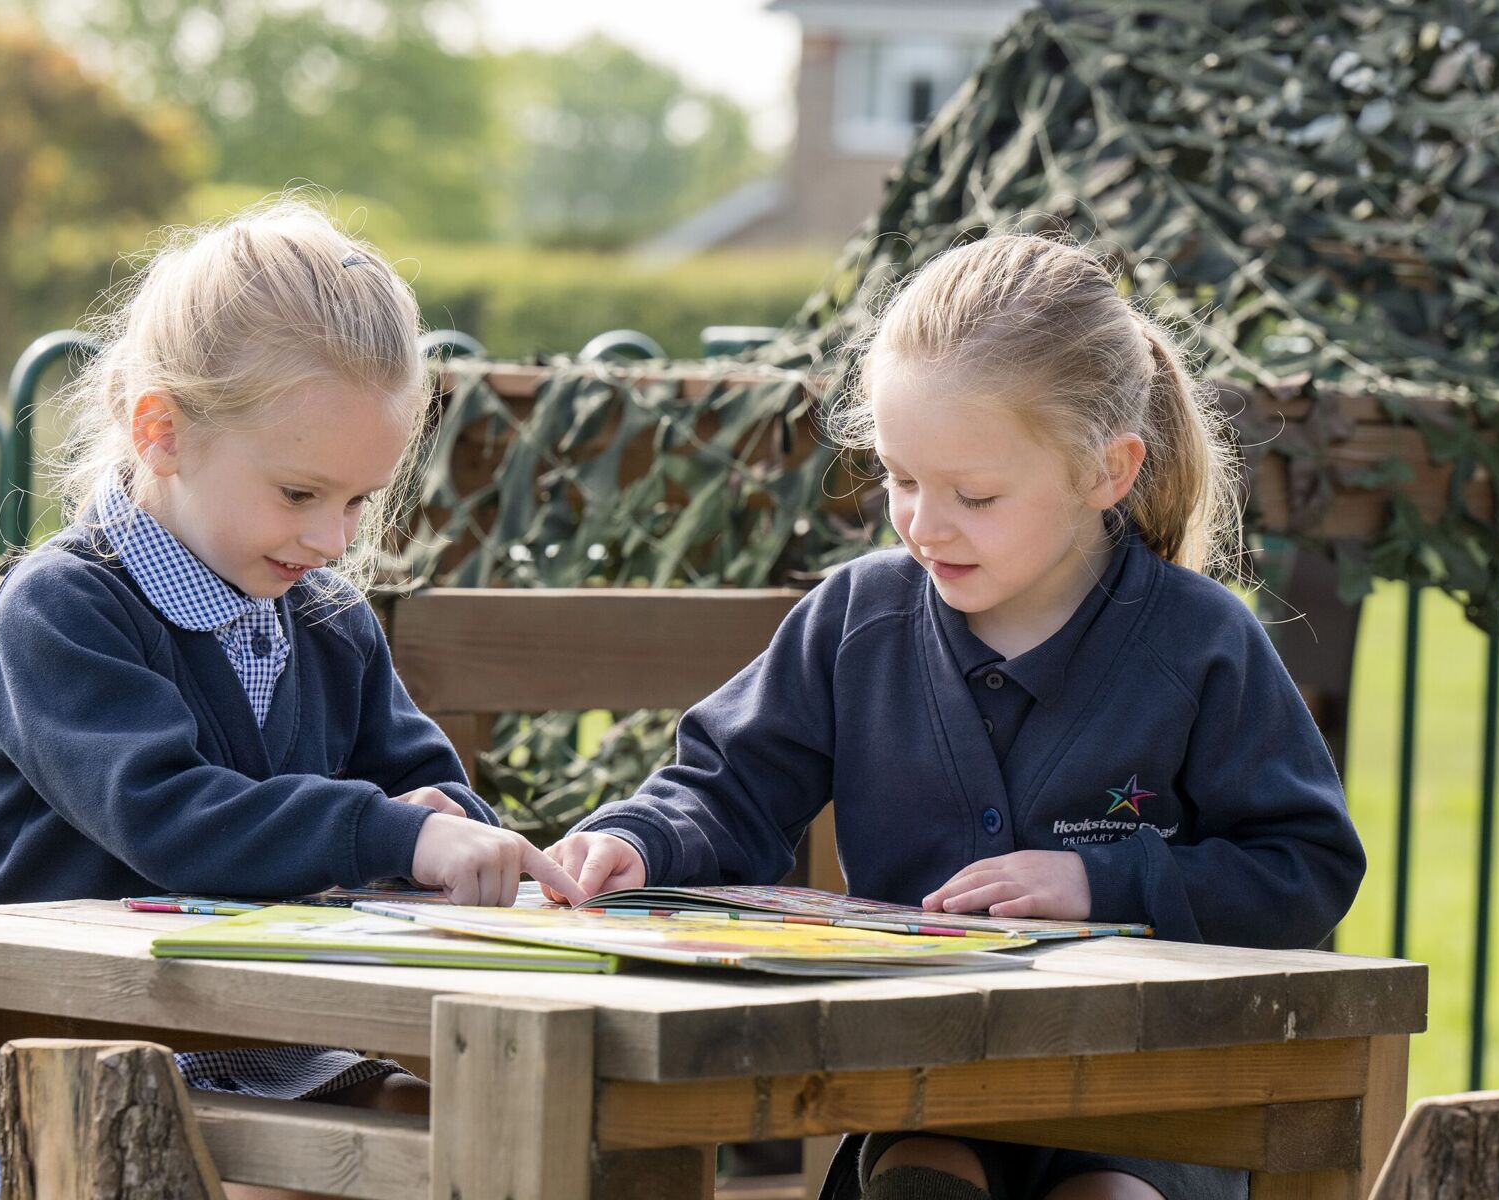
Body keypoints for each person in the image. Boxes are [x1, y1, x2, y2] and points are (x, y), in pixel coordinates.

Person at [545, 233, 1364, 1200]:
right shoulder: (857, 622)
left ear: (1108, 472)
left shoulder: (1200, 643)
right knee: (924, 1185)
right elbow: (729, 788)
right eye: (900, 479)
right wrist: (640, 839)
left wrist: (1104, 881)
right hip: (930, 1095)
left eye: (974, 495)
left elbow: (1305, 867)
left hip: (1150, 1103)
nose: (925, 525)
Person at [0, 196, 577, 1200]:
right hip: (69, 1049)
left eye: (358, 500)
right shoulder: (64, 610)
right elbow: (169, 816)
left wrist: (472, 845)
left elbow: (417, 787)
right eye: (301, 495)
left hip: (266, 1043)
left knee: (474, 1140)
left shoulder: (326, 622)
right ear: (163, 432)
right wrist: (390, 837)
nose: (334, 538)